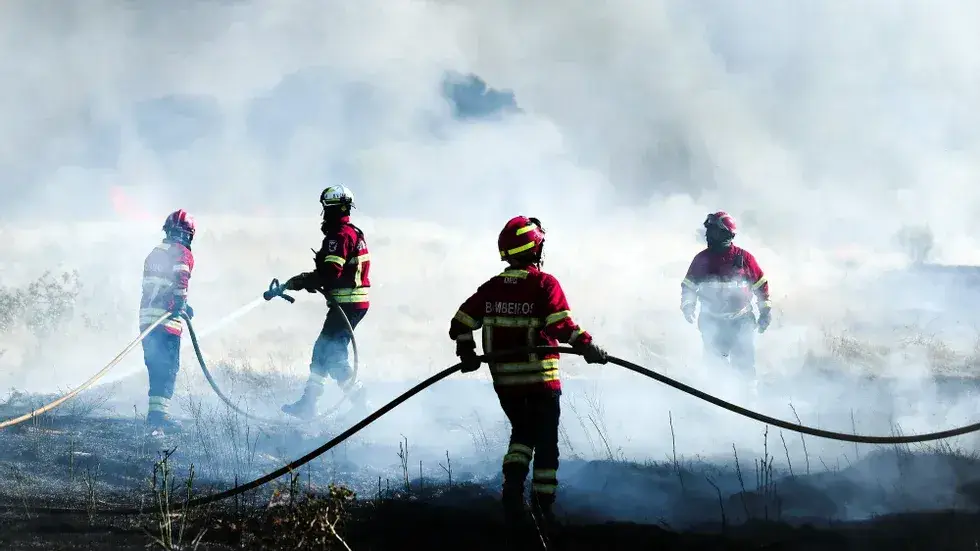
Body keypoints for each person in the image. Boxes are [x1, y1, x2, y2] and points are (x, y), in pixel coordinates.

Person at [448, 215, 608, 529]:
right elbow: (560, 325)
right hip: (540, 381)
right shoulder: (544, 284)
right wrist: (588, 346)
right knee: (546, 441)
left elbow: (460, 323)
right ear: (536, 248)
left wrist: (466, 351)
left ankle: (511, 491)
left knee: (522, 433)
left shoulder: (492, 288)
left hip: (506, 383)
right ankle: (542, 507)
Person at [280, 184, 371, 420]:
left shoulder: (339, 236)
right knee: (323, 349)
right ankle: (309, 403)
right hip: (350, 303)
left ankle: (360, 401)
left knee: (333, 354)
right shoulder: (351, 233)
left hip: (347, 304)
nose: (325, 214)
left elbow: (331, 272)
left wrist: (303, 280)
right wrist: (309, 281)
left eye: (327, 209)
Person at [681, 211, 771, 376]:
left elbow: (761, 284)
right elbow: (689, 286)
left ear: (725, 233)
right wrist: (688, 305)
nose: (708, 235)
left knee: (744, 367)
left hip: (741, 321)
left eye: (713, 231)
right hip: (712, 321)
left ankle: (747, 400)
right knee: (715, 368)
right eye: (708, 231)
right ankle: (716, 396)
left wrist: (765, 311)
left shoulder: (744, 258)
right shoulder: (702, 260)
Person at [139, 209, 196, 437]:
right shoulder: (181, 252)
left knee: (156, 369)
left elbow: (157, 285)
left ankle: (155, 418)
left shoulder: (155, 252)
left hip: (147, 321)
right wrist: (180, 301)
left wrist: (182, 305)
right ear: (188, 234)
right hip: (166, 322)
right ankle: (159, 421)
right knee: (169, 369)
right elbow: (181, 277)